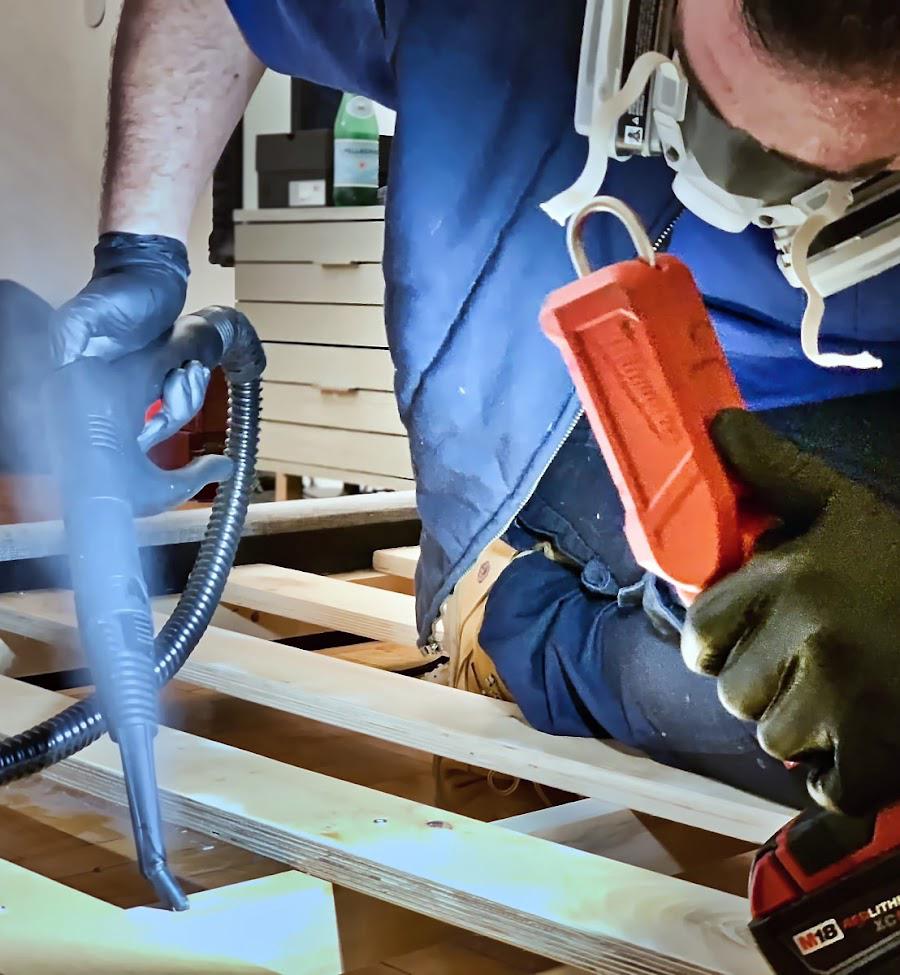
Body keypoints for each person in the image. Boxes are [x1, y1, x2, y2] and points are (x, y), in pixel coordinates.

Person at [53, 0, 900, 817]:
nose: (739, 184)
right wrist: (141, 253)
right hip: (567, 386)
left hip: (862, 393)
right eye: (713, 104)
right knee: (786, 713)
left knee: (857, 722)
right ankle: (524, 619)